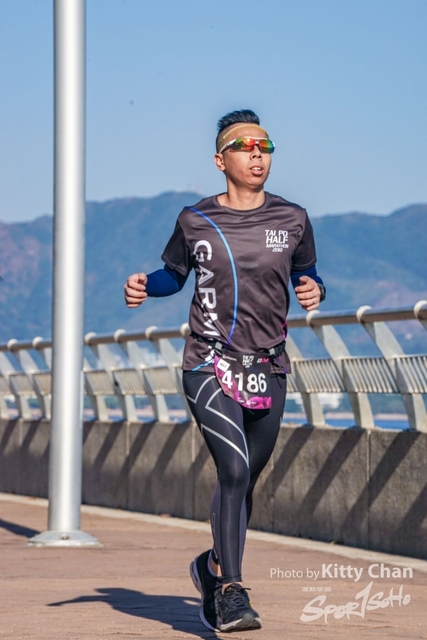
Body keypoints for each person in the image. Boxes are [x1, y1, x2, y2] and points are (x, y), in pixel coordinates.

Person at [124, 109, 325, 633]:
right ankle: (232, 592)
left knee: (247, 478)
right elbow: (173, 275)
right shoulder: (195, 219)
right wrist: (145, 285)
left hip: (269, 366)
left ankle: (211, 567)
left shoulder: (293, 218)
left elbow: (306, 274)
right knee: (233, 470)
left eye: (265, 146)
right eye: (244, 146)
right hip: (209, 362)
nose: (258, 154)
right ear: (220, 160)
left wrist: (314, 289)